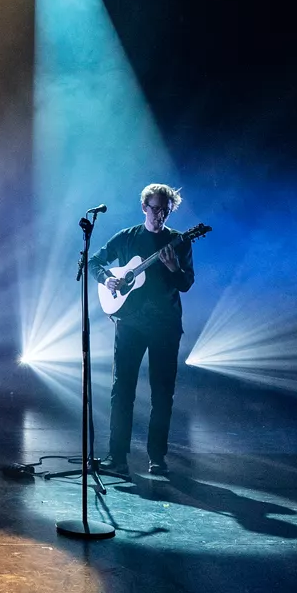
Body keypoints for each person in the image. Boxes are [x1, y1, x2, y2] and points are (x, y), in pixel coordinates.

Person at [94, 182, 195, 475]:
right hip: (130, 324)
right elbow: (95, 261)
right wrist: (106, 279)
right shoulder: (127, 237)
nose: (160, 215)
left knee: (162, 394)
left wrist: (174, 268)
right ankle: (117, 457)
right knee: (122, 389)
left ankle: (157, 458)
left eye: (165, 211)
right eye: (155, 209)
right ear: (144, 207)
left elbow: (186, 283)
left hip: (165, 326)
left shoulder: (179, 241)